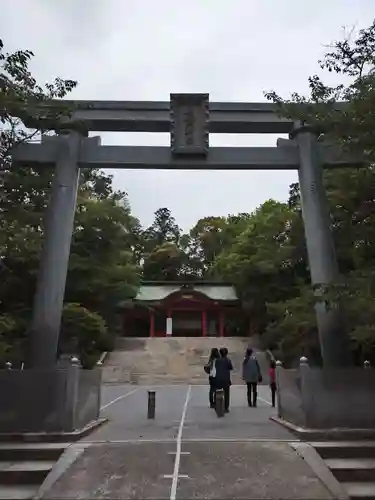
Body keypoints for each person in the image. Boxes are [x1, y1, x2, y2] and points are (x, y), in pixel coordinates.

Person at [215, 347, 233, 413]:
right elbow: (230, 368)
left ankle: (219, 407)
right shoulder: (228, 360)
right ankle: (226, 408)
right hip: (226, 379)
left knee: (218, 393)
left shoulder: (217, 360)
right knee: (226, 394)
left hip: (218, 378)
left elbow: (216, 367)